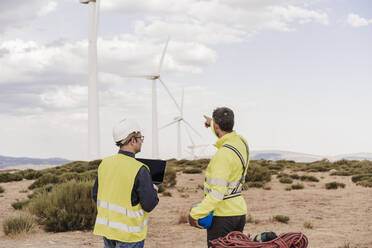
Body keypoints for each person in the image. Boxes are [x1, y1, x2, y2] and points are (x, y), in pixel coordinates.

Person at [188, 107, 250, 247]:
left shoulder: (222, 155)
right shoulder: (242, 143)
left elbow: (217, 193)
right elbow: (224, 133)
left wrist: (194, 214)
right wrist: (211, 123)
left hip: (223, 217)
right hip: (239, 213)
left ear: (217, 126)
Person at [92, 119, 159, 248]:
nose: (142, 141)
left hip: (108, 231)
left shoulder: (105, 163)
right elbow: (149, 204)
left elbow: (96, 195)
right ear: (133, 140)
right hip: (129, 236)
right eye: (140, 137)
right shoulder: (140, 169)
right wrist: (154, 189)